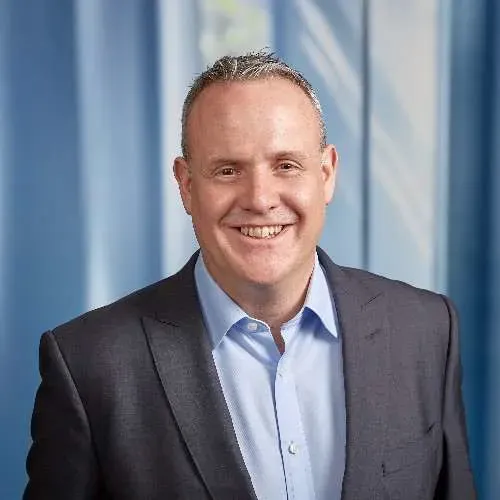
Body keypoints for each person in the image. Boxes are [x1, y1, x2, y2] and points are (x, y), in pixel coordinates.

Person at [24, 51, 475, 500]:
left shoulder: (427, 331)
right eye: (228, 170)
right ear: (186, 185)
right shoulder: (89, 366)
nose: (260, 199)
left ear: (326, 174)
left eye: (286, 166)